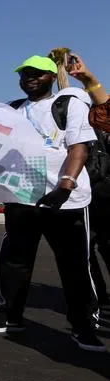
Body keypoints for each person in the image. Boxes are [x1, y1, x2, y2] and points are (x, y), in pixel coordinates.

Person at [0, 55, 103, 352]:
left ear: (51, 76)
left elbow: (79, 148)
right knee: (15, 261)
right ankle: (11, 314)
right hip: (23, 200)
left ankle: (83, 326)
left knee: (74, 266)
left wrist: (65, 185)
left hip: (66, 202)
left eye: (36, 74)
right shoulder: (13, 111)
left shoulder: (68, 104)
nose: (29, 78)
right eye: (24, 74)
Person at [66, 53, 110, 320]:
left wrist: (89, 79)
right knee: (85, 248)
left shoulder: (97, 123)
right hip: (88, 195)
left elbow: (105, 111)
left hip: (104, 193)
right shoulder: (74, 120)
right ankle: (98, 298)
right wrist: (89, 80)